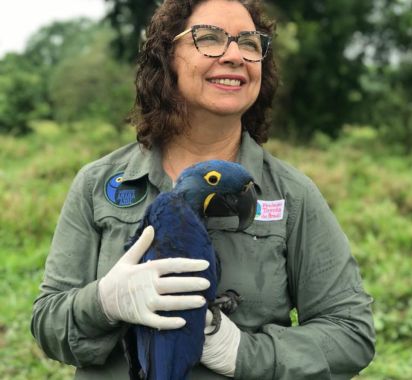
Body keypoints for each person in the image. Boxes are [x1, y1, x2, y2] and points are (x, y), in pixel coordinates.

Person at [31, 0, 375, 379]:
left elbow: (351, 334)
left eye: (249, 43)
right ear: (167, 58)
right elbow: (48, 323)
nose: (233, 55)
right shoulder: (98, 183)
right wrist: (103, 303)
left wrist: (243, 352)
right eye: (209, 38)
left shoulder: (292, 194)